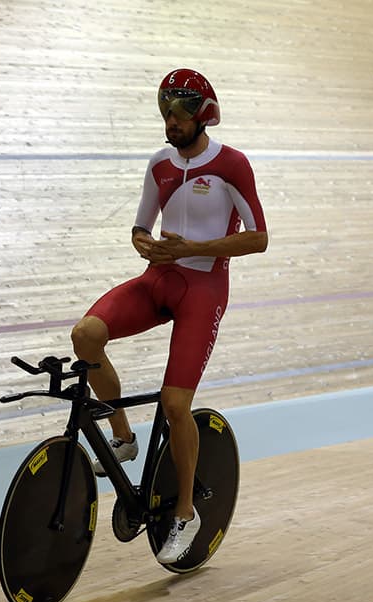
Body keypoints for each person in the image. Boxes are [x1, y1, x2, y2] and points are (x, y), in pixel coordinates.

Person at [71, 68, 268, 564]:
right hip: (160, 279)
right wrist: (144, 245)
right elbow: (141, 227)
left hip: (203, 289)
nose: (170, 123)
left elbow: (258, 237)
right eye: (166, 115)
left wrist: (197, 248)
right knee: (86, 334)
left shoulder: (233, 165)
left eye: (179, 116)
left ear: (203, 117)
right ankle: (122, 438)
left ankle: (185, 513)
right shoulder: (158, 163)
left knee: (176, 404)